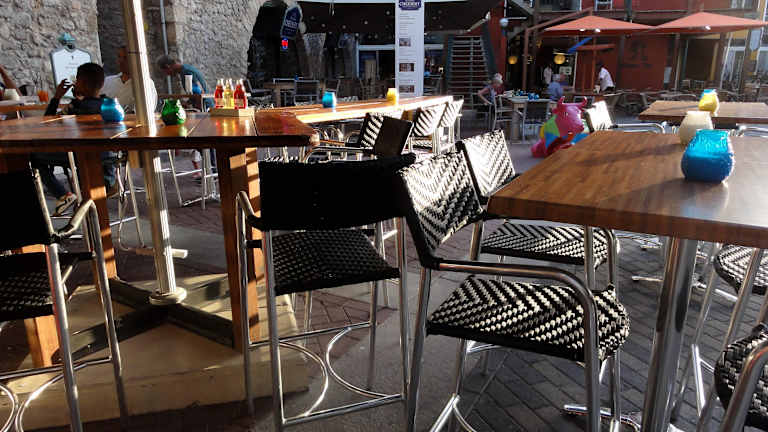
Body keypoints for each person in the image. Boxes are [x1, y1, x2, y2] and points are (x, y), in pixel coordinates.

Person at [31, 63, 117, 215]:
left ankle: (63, 195)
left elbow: (48, 122)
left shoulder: (76, 106)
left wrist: (57, 97)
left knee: (35, 156)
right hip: (109, 160)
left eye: (77, 80)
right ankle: (105, 184)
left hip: (81, 156)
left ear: (81, 83)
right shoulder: (109, 103)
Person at [102, 46, 158, 112]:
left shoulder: (146, 84)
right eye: (119, 57)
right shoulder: (107, 81)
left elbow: (146, 111)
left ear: (135, 60)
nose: (121, 61)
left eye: (126, 58)